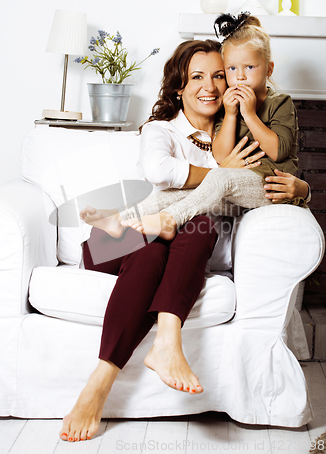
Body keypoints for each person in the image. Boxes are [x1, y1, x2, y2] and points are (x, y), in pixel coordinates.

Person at [61, 39, 310, 443]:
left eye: (219, 74)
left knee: (189, 231)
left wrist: (301, 189)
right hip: (115, 244)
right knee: (178, 230)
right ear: (179, 86)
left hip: (179, 243)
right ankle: (165, 342)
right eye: (197, 77)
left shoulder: (241, 131)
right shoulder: (163, 129)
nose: (211, 85)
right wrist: (218, 171)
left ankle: (103, 381)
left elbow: (273, 173)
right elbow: (159, 170)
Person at [118, 13, 308, 240]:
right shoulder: (224, 109)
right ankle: (117, 221)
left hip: (267, 186)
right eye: (231, 70)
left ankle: (169, 219)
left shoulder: (279, 102)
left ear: (268, 69)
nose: (240, 78)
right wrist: (230, 113)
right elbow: (220, 155)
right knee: (169, 195)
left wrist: (248, 114)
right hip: (231, 195)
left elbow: (279, 151)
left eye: (249, 67)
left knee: (219, 180)